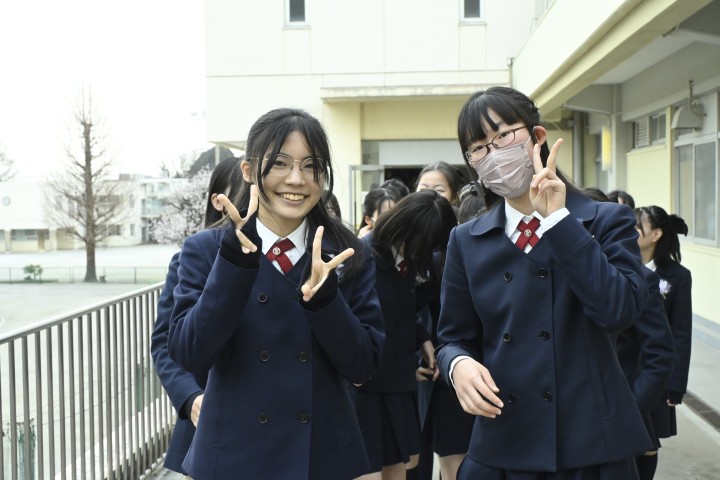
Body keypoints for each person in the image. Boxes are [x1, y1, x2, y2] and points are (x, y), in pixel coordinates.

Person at [436, 86, 653, 479]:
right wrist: (458, 365)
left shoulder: (605, 220)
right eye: (478, 148)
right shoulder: (466, 240)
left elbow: (619, 310)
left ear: (537, 136)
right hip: (503, 442)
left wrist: (558, 222)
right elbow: (452, 337)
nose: (493, 154)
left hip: (590, 446)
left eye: (503, 135)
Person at [167, 107, 385, 479]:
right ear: (248, 170)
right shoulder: (207, 250)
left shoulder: (347, 253)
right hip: (234, 457)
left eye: (311, 166)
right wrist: (234, 265)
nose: (296, 179)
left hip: (320, 458)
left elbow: (365, 366)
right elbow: (190, 352)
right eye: (280, 163)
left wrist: (325, 301)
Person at [355, 189, 457, 480]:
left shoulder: (406, 260)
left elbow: (404, 308)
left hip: (396, 385)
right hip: (365, 390)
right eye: (427, 246)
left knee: (404, 466)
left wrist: (422, 339)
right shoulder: (364, 256)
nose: (429, 255)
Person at [150, 156, 242, 475]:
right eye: (243, 192)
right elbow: (165, 342)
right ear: (218, 202)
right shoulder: (195, 256)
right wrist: (190, 397)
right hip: (208, 423)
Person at [634, 205, 692, 480]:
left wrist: (676, 385)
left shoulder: (678, 276)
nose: (630, 231)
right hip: (622, 367)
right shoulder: (618, 264)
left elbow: (681, 333)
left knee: (649, 442)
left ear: (656, 234)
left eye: (637, 227)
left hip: (655, 371)